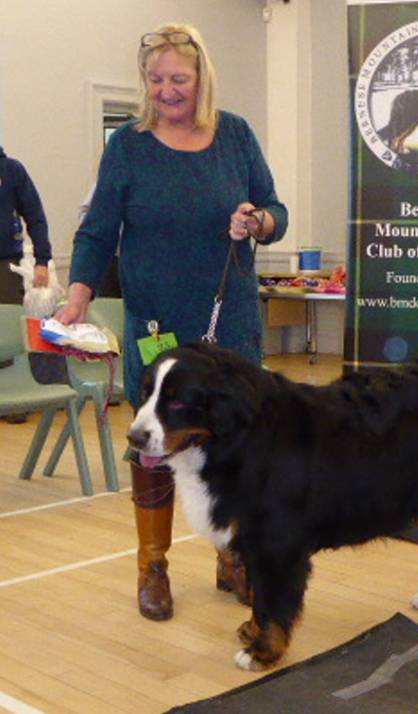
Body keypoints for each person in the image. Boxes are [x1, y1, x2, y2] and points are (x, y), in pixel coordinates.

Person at [58, 23, 288, 621]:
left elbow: (276, 209)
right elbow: (98, 230)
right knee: (152, 448)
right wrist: (77, 295)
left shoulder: (235, 135)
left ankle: (232, 556)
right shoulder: (128, 146)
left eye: (177, 79)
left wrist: (258, 221)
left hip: (229, 324)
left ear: (201, 78)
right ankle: (152, 567)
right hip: (155, 326)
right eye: (155, 79)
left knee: (234, 444)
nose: (165, 90)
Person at [0, 146, 52, 423]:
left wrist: (42, 259)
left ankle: (11, 399)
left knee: (6, 331)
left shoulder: (11, 170)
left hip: (4, 263)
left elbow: (35, 214)